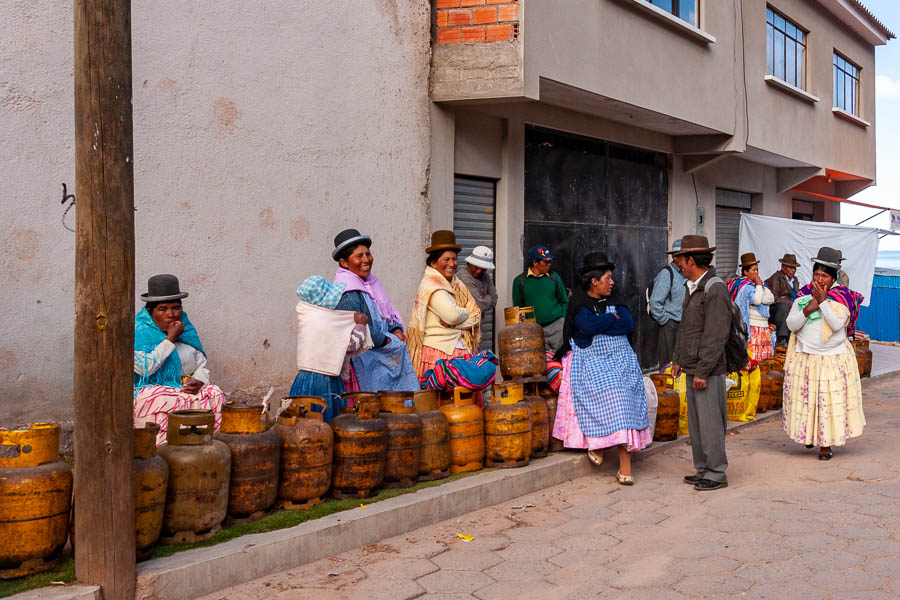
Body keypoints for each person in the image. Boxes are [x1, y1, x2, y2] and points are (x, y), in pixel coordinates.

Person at [552, 253, 651, 485]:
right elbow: (585, 326)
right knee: (609, 393)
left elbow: (626, 324)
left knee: (624, 393)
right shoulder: (579, 302)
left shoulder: (617, 300)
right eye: (607, 278)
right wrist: (610, 320)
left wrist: (604, 323)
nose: (612, 282)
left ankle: (624, 467)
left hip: (620, 358)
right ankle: (598, 443)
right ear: (593, 281)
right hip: (590, 360)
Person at [782, 247, 865, 460]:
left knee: (827, 404)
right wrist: (808, 308)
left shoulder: (841, 297)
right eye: (816, 275)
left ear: (833, 278)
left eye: (825, 276)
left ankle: (825, 446)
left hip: (832, 360)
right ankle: (810, 436)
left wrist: (823, 302)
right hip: (806, 358)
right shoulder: (803, 296)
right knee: (808, 402)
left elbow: (838, 324)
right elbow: (791, 324)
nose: (820, 279)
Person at [133, 274, 226, 445]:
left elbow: (201, 366)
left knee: (215, 393)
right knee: (161, 398)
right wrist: (169, 340)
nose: (171, 314)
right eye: (162, 309)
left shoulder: (187, 329)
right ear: (150, 312)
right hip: (148, 390)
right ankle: (160, 454)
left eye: (175, 308)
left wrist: (199, 380)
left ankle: (209, 448)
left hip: (181, 388)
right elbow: (145, 369)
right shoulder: (137, 332)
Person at [670, 236, 732, 491]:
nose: (679, 265)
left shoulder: (714, 288)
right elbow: (687, 328)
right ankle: (703, 469)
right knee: (696, 424)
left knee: (710, 423)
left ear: (691, 260)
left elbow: (716, 334)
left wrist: (703, 371)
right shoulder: (693, 286)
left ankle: (716, 473)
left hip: (708, 370)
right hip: (693, 366)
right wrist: (678, 360)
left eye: (681, 260)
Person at [332, 228, 418, 392]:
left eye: (368, 254)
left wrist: (396, 329)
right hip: (362, 361)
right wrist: (387, 341)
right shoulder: (346, 292)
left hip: (381, 355)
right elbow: (356, 328)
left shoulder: (372, 283)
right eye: (359, 256)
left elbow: (386, 310)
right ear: (344, 263)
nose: (366, 260)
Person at [290, 276, 372, 422]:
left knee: (302, 420)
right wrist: (360, 326)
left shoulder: (307, 315)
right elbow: (351, 345)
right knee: (326, 421)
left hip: (304, 378)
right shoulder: (326, 322)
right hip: (325, 381)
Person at [406, 230, 481, 378]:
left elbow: (477, 313)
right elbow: (453, 315)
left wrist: (455, 324)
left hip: (457, 349)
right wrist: (465, 312)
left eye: (454, 259)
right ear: (433, 263)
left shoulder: (456, 283)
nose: (452, 264)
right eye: (446, 259)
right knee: (445, 400)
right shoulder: (431, 286)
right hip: (439, 353)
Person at [512, 245, 568, 352]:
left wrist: (563, 321)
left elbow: (564, 301)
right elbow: (517, 308)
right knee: (538, 362)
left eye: (550, 261)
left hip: (557, 327)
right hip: (533, 330)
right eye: (546, 262)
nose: (549, 264)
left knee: (560, 360)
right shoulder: (519, 281)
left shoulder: (554, 277)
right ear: (535, 262)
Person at [727, 253, 775, 361]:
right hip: (753, 326)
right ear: (745, 272)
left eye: (757, 270)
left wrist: (759, 289)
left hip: (763, 326)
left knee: (764, 361)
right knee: (753, 359)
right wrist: (759, 285)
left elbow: (771, 298)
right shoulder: (743, 286)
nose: (756, 273)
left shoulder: (759, 285)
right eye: (753, 270)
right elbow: (757, 301)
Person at [649, 239, 687, 367]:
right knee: (668, 365)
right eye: (684, 256)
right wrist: (666, 320)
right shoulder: (667, 274)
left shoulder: (685, 274)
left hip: (683, 326)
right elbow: (655, 303)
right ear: (675, 257)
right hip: (669, 326)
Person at [765, 253, 800, 347]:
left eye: (794, 268)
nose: (793, 270)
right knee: (783, 307)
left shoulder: (795, 280)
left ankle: (794, 339)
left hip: (790, 308)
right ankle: (781, 338)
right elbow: (772, 298)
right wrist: (789, 302)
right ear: (783, 267)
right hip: (776, 311)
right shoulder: (776, 278)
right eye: (791, 267)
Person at [455, 245, 498, 321]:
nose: (479, 271)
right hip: (464, 325)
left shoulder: (485, 276)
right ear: (469, 263)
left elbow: (494, 300)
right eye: (476, 267)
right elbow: (480, 306)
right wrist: (488, 297)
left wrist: (483, 300)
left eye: (483, 269)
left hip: (477, 324)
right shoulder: (463, 277)